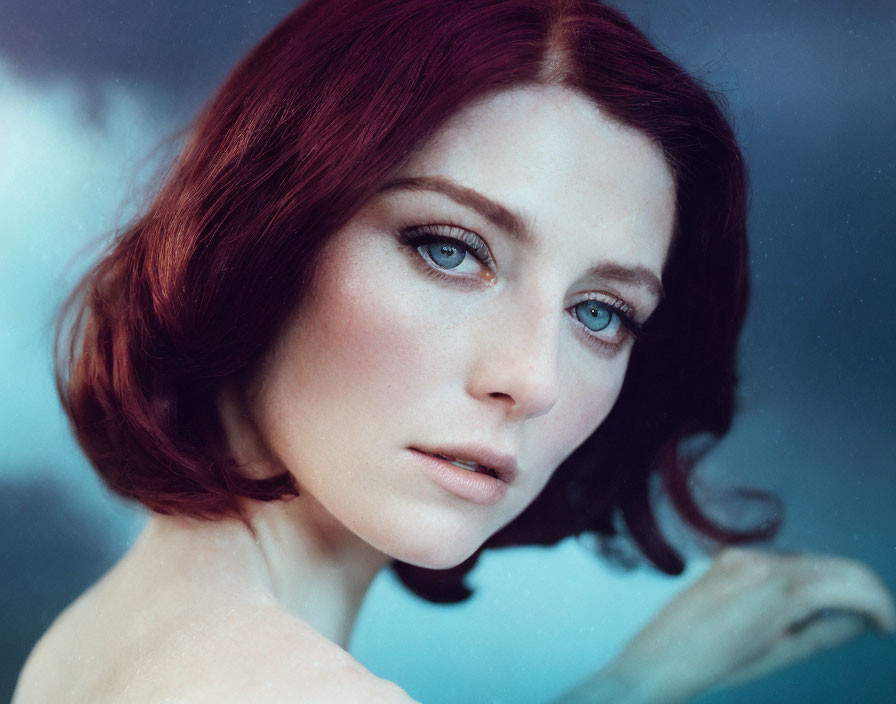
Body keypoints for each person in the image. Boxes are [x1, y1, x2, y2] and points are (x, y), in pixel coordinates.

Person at [13, 1, 894, 702]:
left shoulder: (111, 639)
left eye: (600, 313)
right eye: (450, 248)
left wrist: (628, 688)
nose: (533, 379)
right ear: (261, 237)